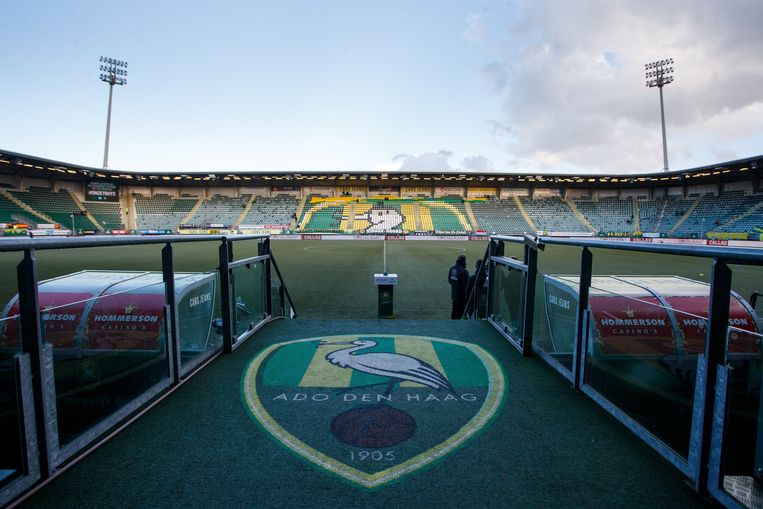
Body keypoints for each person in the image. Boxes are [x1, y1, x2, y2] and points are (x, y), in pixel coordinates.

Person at [448, 254, 469, 319]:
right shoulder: (464, 271)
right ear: (464, 261)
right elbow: (466, 285)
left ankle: (453, 324)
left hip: (454, 294)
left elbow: (450, 281)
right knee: (460, 312)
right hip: (461, 296)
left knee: (454, 310)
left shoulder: (452, 268)